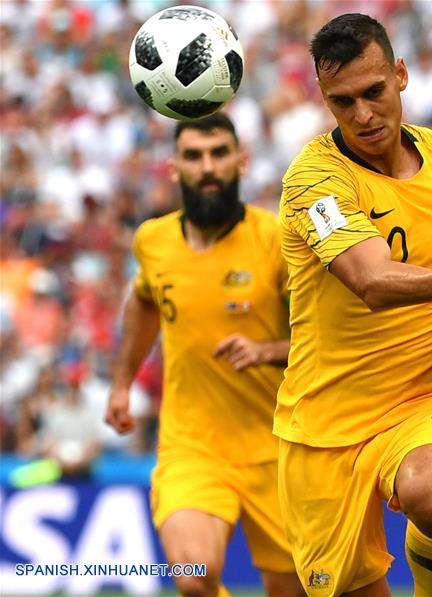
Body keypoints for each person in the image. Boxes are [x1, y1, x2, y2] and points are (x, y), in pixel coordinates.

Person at [275, 13, 432, 597]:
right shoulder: (314, 181)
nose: (362, 114)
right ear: (324, 99)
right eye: (343, 102)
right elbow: (374, 282)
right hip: (322, 426)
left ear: (402, 76)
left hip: (417, 399)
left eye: (373, 92)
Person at [105, 114, 302, 597]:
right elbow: (145, 303)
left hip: (278, 447)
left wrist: (268, 350)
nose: (207, 167)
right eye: (194, 156)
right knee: (194, 575)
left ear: (242, 160)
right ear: (174, 168)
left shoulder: (276, 239)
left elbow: (328, 336)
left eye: (218, 153)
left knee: (295, 589)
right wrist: (121, 383)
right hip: (192, 446)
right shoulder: (152, 241)